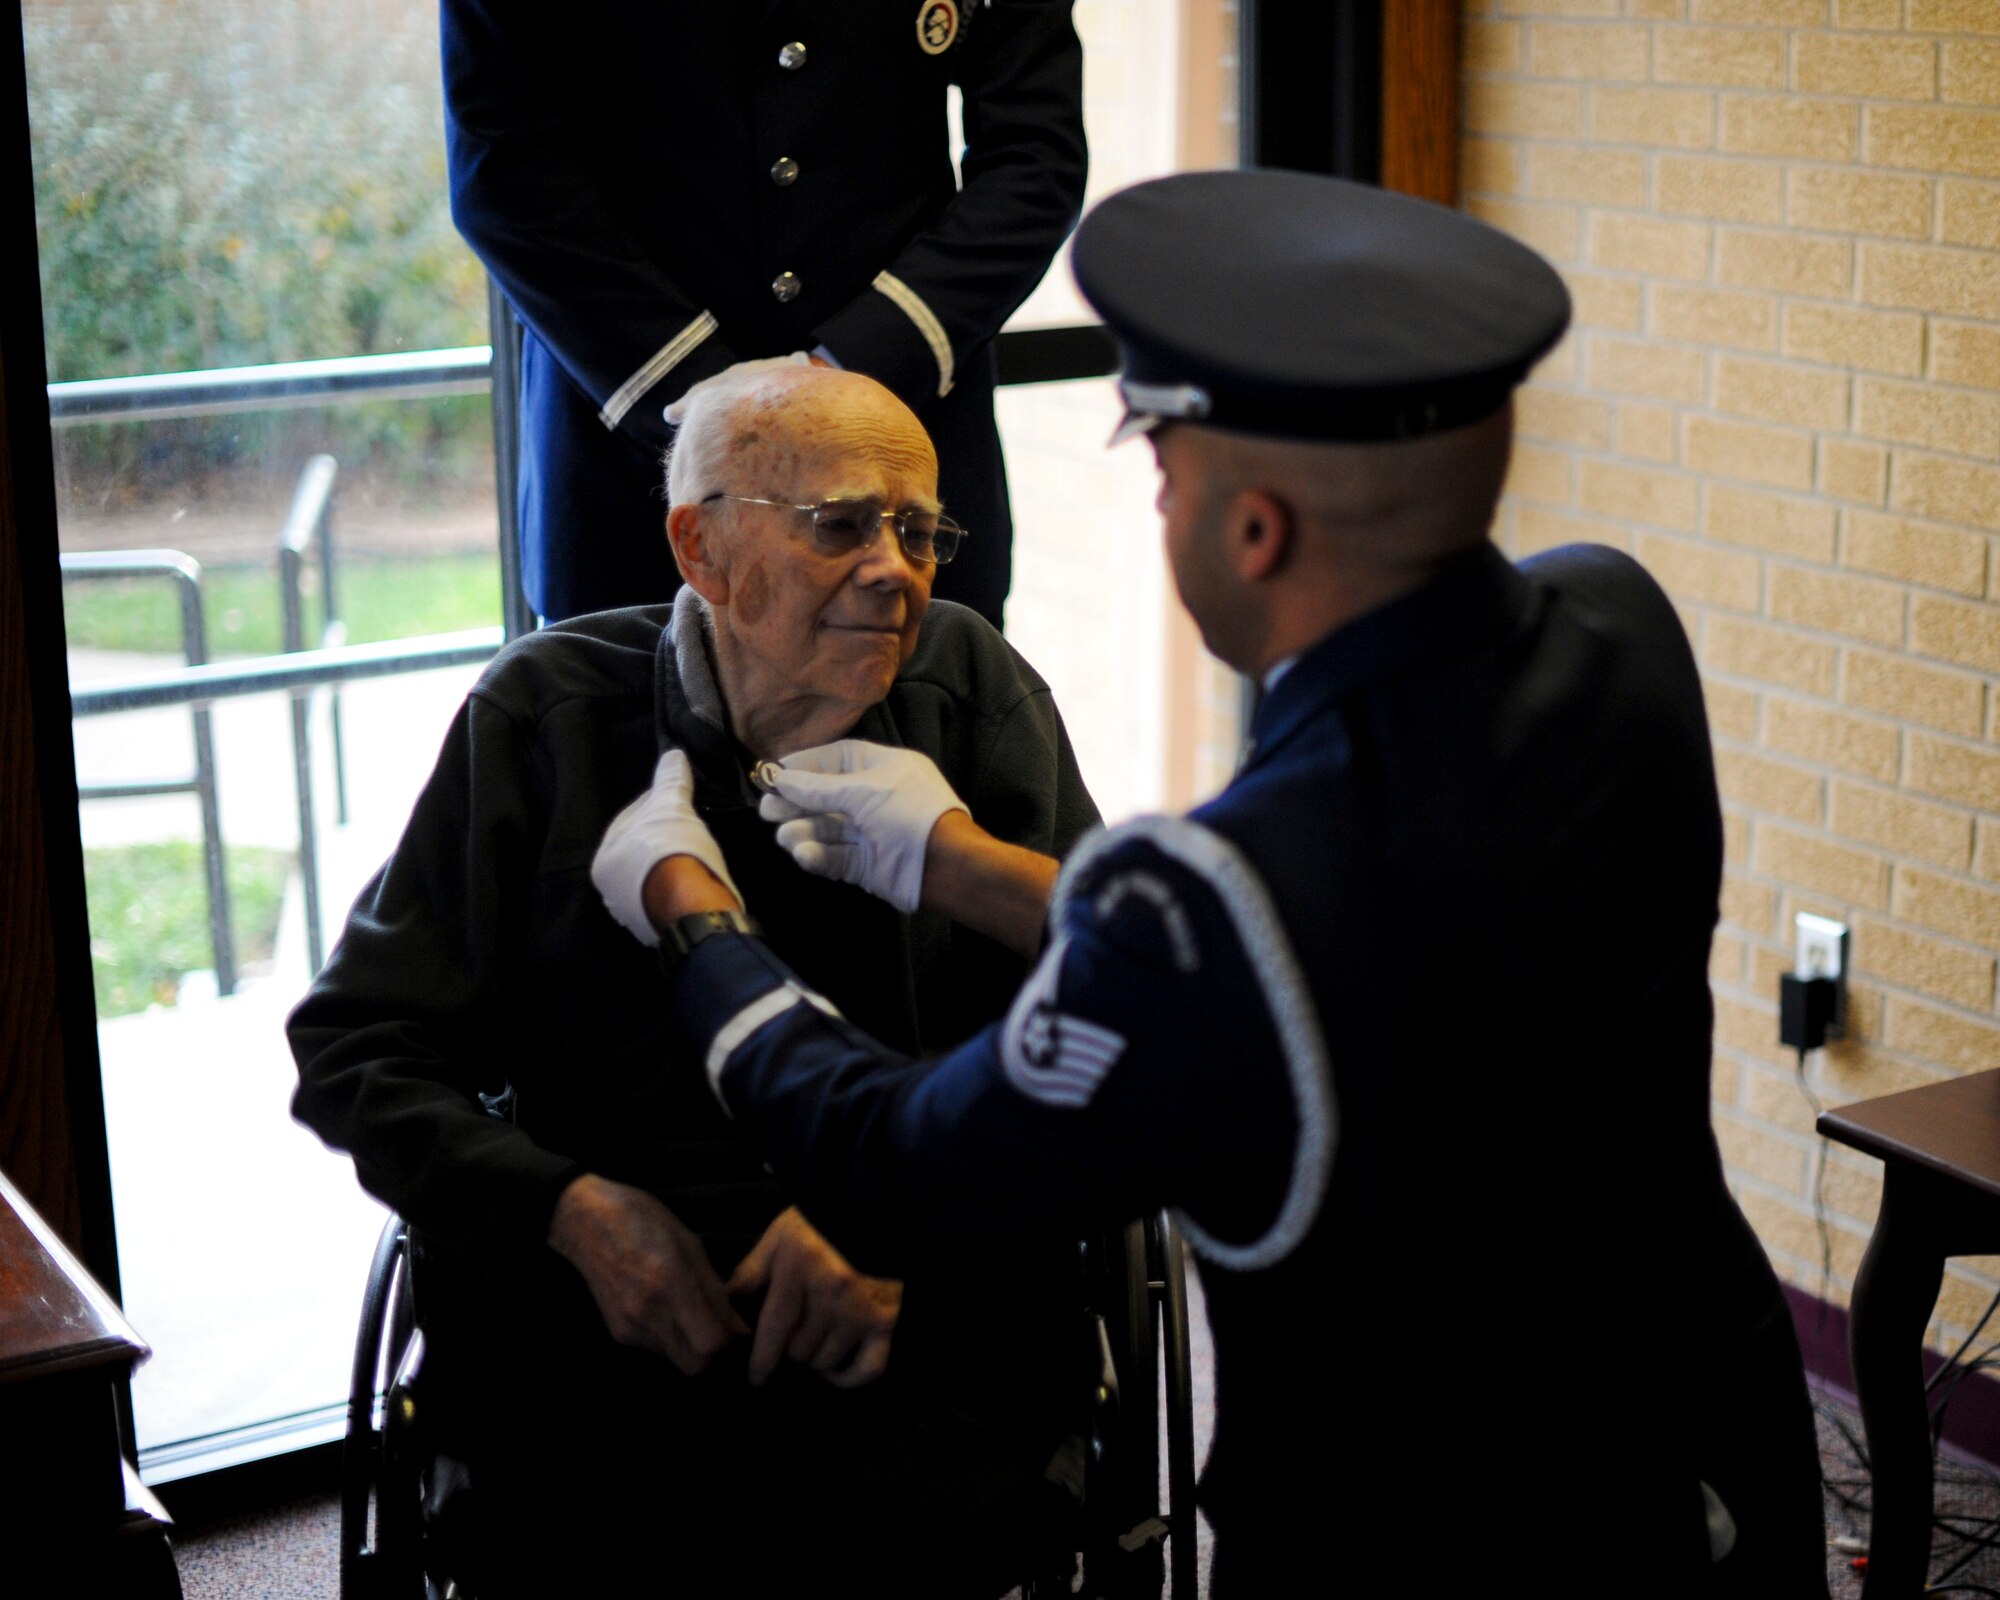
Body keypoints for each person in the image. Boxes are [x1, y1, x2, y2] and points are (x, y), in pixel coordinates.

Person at [592, 171, 1833, 1595]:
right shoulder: (1622, 625)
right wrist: (952, 860)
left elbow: (898, 1158)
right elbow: (1351, 968)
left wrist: (701, 927)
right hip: (1706, 1443)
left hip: (1417, 1535)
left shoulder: (1214, 902)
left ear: (1253, 534)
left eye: (1167, 468)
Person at [288, 366, 1098, 1596]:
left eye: (919, 529)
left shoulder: (970, 695)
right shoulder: (546, 716)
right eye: (840, 524)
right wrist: (565, 1210)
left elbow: (1094, 1034)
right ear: (701, 546)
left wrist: (894, 1227)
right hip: (599, 1323)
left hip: (918, 1311)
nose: (896, 568)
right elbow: (358, 1048)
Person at [441, 0, 1088, 628]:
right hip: (629, 492)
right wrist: (697, 396)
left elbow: (1034, 161)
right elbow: (504, 171)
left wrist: (853, 366)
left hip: (907, 479)